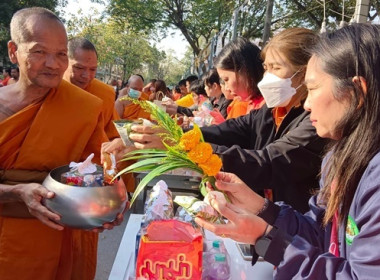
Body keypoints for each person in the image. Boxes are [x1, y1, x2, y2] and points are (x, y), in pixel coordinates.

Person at [196, 23, 380, 279]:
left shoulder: (374, 178)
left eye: (313, 89)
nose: (306, 103)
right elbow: (319, 231)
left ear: (356, 92)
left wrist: (266, 239)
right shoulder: (337, 158)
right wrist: (260, 208)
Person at [0, 7, 123, 280]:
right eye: (39, 52)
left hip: (56, 233)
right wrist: (15, 192)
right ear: (13, 51)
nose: (54, 64)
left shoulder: (83, 107)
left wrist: (111, 201)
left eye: (60, 54)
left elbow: (100, 168)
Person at [63, 37, 120, 140]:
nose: (86, 76)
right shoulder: (48, 89)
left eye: (93, 69)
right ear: (63, 62)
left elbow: (114, 135)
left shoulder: (104, 94)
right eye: (79, 68)